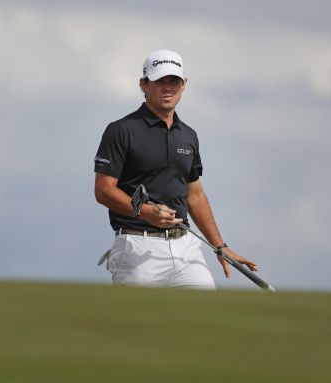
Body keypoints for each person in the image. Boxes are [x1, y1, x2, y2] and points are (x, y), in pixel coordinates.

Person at [94, 49, 256, 289]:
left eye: (174, 81)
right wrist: (147, 212)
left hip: (185, 246)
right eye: (160, 81)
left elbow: (194, 195)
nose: (167, 87)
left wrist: (219, 246)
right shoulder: (121, 130)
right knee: (142, 324)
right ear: (144, 84)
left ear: (184, 85)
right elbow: (103, 191)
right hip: (137, 246)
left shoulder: (189, 136)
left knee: (207, 317)